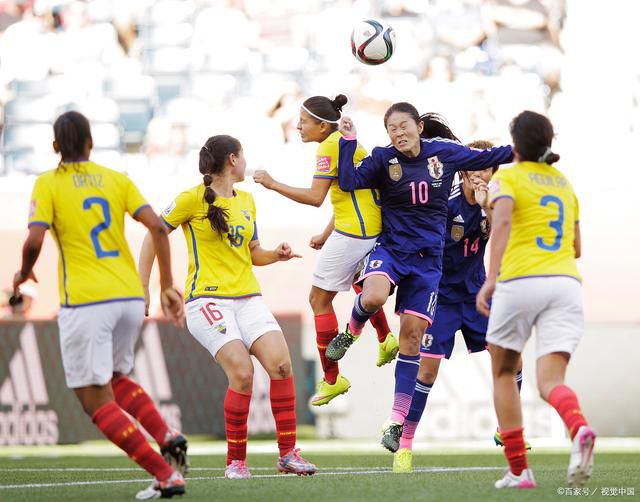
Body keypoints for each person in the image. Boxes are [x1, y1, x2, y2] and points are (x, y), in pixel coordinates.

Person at [13, 111, 187, 500]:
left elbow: (34, 241)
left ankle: (165, 475)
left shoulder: (48, 183)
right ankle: (165, 433)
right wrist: (166, 286)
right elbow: (159, 227)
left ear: (55, 147)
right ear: (91, 143)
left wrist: (23, 274)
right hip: (128, 297)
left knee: (93, 398)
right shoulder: (116, 179)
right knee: (114, 378)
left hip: (87, 302)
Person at [331, 102, 514, 452]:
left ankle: (398, 425)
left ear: (418, 126)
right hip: (394, 251)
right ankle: (351, 331)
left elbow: (493, 157)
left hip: (430, 266)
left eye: (404, 126)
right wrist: (348, 141)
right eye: (392, 129)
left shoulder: (444, 155)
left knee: (412, 339)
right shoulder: (385, 160)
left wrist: (528, 149)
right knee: (372, 298)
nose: (399, 134)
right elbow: (348, 181)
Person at [139, 134, 317, 479]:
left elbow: (252, 253)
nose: (246, 161)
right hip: (206, 300)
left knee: (281, 366)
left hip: (248, 298)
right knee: (243, 373)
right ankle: (235, 462)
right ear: (233, 160)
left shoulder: (247, 200)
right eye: (243, 154)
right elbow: (153, 234)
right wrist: (144, 286)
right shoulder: (191, 198)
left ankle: (288, 455)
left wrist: (274, 256)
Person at [391, 121, 526, 472]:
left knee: (512, 359)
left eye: (487, 170)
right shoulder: (445, 205)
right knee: (428, 372)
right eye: (475, 171)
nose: (481, 177)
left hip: (478, 293)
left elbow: (503, 238)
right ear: (462, 173)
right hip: (444, 297)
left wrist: (486, 207)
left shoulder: (496, 203)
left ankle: (505, 428)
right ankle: (405, 444)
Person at [252, 94, 398, 407]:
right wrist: (325, 232)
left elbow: (317, 196)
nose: (298, 126)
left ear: (321, 125)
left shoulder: (329, 146)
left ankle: (332, 379)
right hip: (367, 228)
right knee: (362, 283)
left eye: (304, 122)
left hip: (355, 233)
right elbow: (350, 195)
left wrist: (273, 184)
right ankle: (386, 338)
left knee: (319, 300)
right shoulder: (344, 144)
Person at [476, 110, 594, 489]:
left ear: (514, 145)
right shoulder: (563, 183)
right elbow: (575, 247)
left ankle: (518, 471)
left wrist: (490, 279)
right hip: (566, 284)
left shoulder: (507, 176)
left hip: (521, 281)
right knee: (550, 382)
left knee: (504, 372)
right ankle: (578, 428)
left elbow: (504, 224)